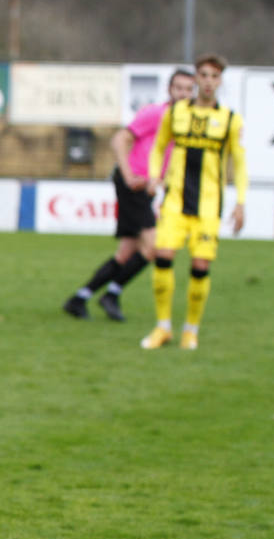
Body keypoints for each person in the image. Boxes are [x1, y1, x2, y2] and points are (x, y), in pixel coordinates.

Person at [63, 68, 194, 321]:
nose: (183, 94)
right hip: (132, 184)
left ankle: (79, 298)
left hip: (146, 188)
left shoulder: (188, 124)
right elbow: (119, 139)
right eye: (179, 88)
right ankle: (112, 294)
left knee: (126, 252)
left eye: (189, 90)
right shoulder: (157, 114)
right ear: (169, 90)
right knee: (154, 246)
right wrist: (127, 174)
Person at [140, 53, 247, 351]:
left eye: (214, 76)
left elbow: (239, 163)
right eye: (203, 75)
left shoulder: (229, 119)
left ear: (220, 81)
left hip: (208, 206)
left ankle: (190, 330)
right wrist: (153, 176)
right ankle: (163, 327)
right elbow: (159, 147)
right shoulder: (175, 114)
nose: (208, 81)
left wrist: (240, 201)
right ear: (196, 79)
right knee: (162, 256)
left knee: (200, 266)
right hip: (175, 200)